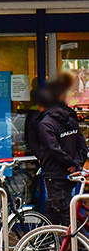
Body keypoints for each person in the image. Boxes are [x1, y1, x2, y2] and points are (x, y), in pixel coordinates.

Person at [36, 80, 88, 225]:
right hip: (69, 172)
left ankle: (75, 245)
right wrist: (75, 165)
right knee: (57, 209)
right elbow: (82, 146)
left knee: (63, 211)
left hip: (54, 172)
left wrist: (71, 165)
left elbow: (54, 148)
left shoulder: (46, 123)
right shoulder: (71, 119)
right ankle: (49, 241)